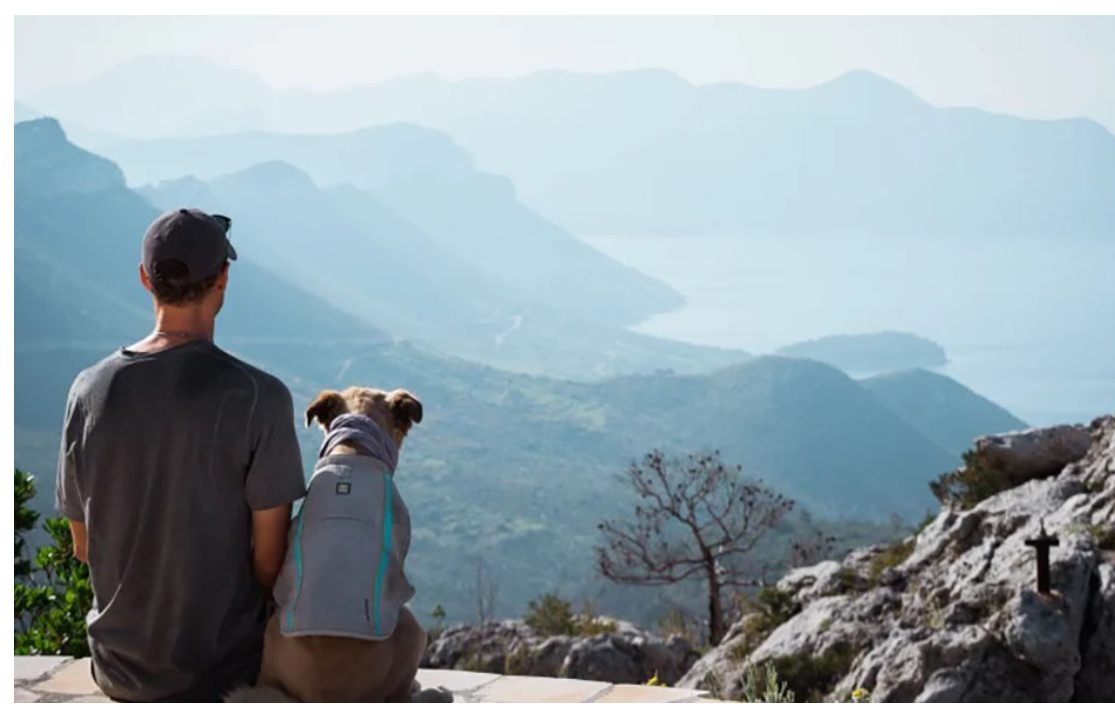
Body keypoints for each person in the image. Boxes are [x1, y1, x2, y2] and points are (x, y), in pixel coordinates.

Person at [54, 208, 307, 702]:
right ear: (224, 280)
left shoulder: (88, 392)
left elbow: (84, 546)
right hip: (224, 671)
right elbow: (269, 564)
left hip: (117, 671)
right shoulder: (261, 397)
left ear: (145, 278)